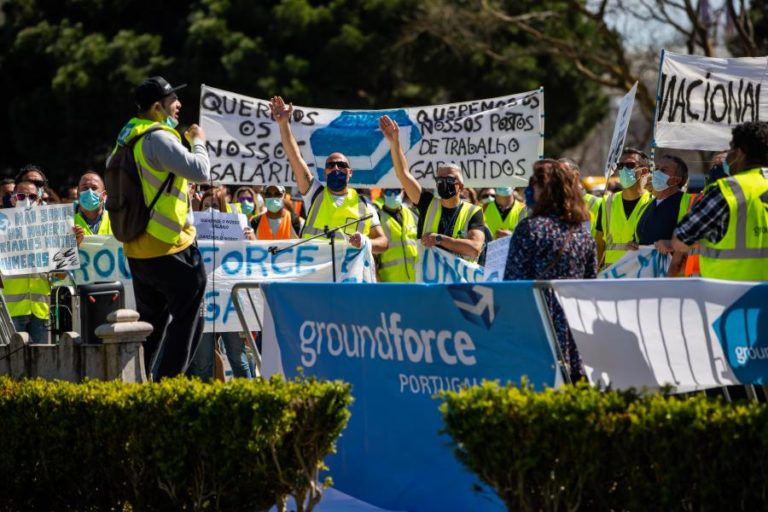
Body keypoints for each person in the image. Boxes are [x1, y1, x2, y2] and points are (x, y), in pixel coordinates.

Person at [108, 76, 210, 379]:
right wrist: (198, 141)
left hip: (139, 248)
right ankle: (167, 386)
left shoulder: (127, 135)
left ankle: (141, 383)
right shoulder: (159, 137)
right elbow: (201, 171)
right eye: (172, 101)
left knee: (152, 325)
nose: (178, 105)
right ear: (156, 107)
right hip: (168, 245)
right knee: (189, 316)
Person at [503, 160, 597, 380]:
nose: (529, 189)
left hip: (536, 326)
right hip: (574, 329)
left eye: (534, 183)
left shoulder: (530, 229)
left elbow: (513, 285)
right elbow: (591, 285)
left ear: (545, 190)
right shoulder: (583, 235)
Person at [270, 96, 388, 253]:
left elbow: (384, 242)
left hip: (350, 275)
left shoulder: (365, 205)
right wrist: (284, 123)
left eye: (342, 165)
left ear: (350, 172)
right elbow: (295, 158)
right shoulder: (314, 193)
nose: (336, 168)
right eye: (331, 165)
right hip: (317, 275)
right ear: (325, 172)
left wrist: (366, 242)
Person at [659, 121, 768, 281]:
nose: (729, 155)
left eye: (731, 148)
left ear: (740, 152)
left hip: (731, 297)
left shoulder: (728, 190)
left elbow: (681, 240)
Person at [380, 115, 484, 261]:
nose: (443, 183)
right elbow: (403, 174)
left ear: (460, 186)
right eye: (439, 180)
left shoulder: (473, 212)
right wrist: (394, 142)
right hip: (429, 281)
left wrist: (439, 239)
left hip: (459, 282)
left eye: (449, 180)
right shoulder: (427, 203)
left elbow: (474, 249)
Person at [2, 180, 52, 343]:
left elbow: (59, 272)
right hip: (12, 310)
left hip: (41, 308)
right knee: (11, 364)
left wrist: (74, 244)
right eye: (22, 196)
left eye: (31, 196)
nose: (27, 200)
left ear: (38, 200)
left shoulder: (50, 229)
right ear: (13, 199)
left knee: (43, 363)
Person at [595, 148, 653, 268]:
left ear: (644, 171)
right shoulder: (607, 202)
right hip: (611, 277)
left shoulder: (652, 203)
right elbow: (599, 244)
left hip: (639, 275)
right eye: (620, 165)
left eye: (630, 165)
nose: (624, 169)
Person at [634, 155, 692, 246]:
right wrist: (633, 244)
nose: (657, 172)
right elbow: (639, 238)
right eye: (656, 168)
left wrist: (671, 245)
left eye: (663, 170)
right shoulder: (646, 206)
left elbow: (697, 237)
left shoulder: (689, 202)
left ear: (676, 180)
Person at [376, 188, 419, 282]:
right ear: (382, 193)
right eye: (388, 192)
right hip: (390, 282)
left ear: (403, 192)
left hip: (416, 279)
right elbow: (373, 255)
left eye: (396, 191)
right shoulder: (377, 218)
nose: (392, 195)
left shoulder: (414, 213)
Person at [559, 157, 602, 236]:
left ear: (576, 175)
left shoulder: (598, 204)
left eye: (563, 173)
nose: (559, 178)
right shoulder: (556, 205)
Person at [74, 171, 112, 236]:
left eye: (94, 188)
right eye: (85, 188)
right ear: (78, 194)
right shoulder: (67, 222)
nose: (89, 192)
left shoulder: (117, 221)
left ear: (104, 195)